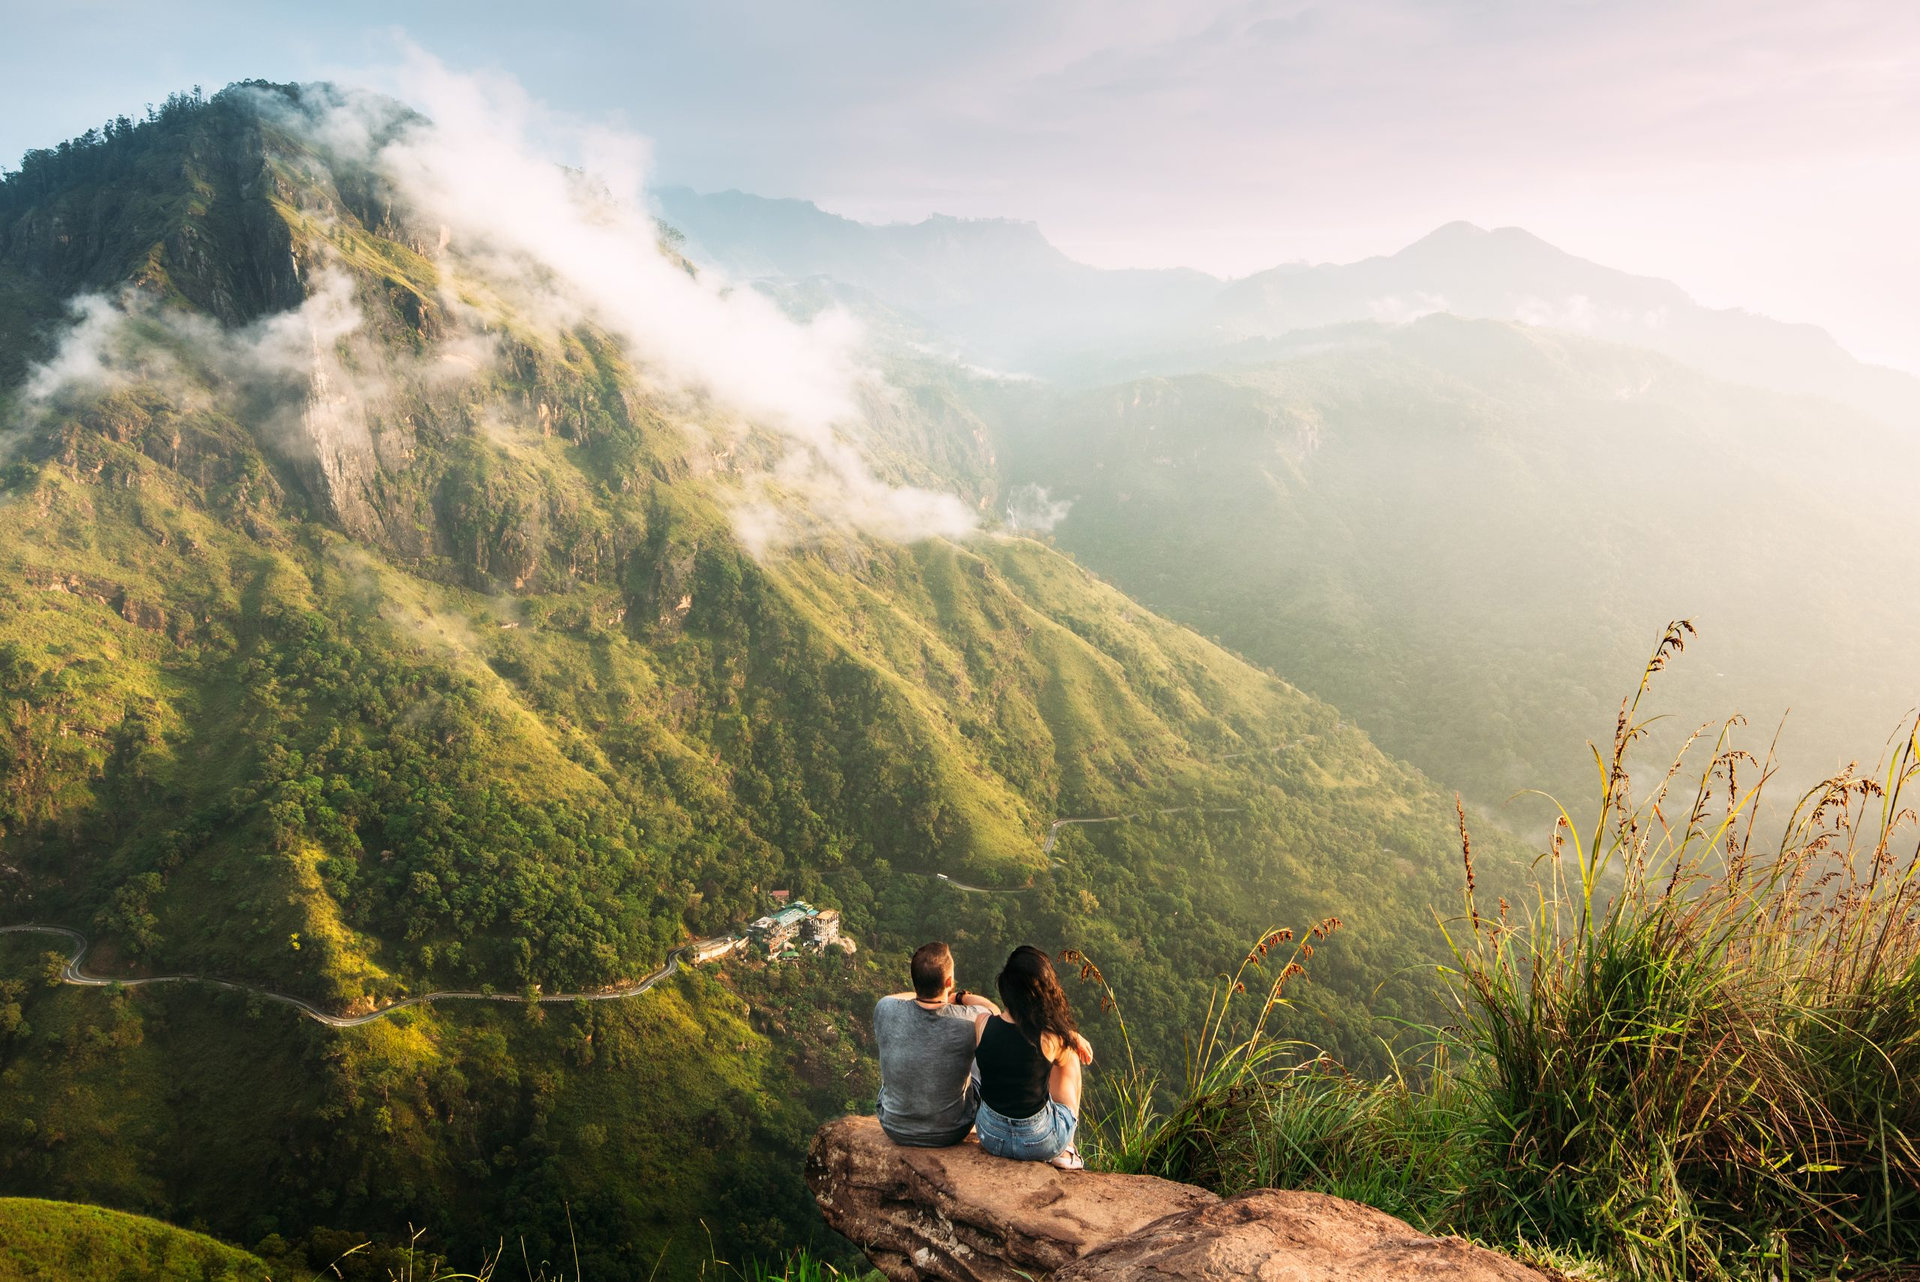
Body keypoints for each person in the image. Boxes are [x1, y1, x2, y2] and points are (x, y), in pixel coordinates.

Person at [972, 945, 1094, 1170]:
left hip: (990, 1137)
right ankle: (1066, 1147)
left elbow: (995, 1015)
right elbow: (1054, 1037)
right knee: (1069, 1058)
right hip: (1040, 1143)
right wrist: (1071, 1036)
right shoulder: (1050, 1039)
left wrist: (959, 997)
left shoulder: (982, 1024)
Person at [873, 941, 1001, 1146]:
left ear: (914, 980)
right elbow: (993, 1011)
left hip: (894, 1127)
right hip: (951, 1131)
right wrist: (959, 997)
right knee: (979, 1046)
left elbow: (894, 998)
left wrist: (921, 996)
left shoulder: (885, 1009)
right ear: (949, 981)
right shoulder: (969, 1020)